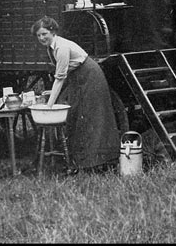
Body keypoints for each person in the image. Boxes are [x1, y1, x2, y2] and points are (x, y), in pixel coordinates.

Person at [31, 16, 119, 172]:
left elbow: (60, 78)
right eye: (38, 35)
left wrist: (49, 105)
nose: (41, 38)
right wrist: (53, 93)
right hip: (78, 78)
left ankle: (97, 162)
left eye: (44, 34)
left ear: (52, 31)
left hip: (90, 77)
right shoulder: (51, 47)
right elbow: (64, 73)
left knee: (92, 117)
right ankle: (83, 162)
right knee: (78, 116)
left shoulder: (61, 47)